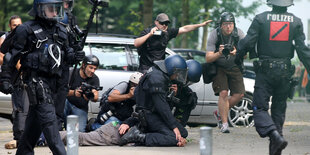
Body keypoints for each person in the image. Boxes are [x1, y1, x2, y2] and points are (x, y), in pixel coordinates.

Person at [0, 0, 85, 154]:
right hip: (36, 83)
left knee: (33, 125)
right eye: (51, 9)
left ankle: (24, 152)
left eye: (57, 9)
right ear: (39, 9)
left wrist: (76, 55)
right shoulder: (26, 29)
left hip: (55, 84)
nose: (54, 13)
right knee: (50, 124)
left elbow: (67, 56)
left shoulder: (61, 30)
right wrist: (5, 79)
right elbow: (10, 57)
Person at [235, 0, 310, 154]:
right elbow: (303, 50)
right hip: (284, 73)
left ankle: (274, 135)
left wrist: (238, 59)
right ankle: (277, 139)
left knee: (259, 108)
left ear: (271, 3)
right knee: (278, 112)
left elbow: (247, 42)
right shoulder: (296, 22)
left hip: (265, 72)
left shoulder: (261, 19)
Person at [120, 55, 189, 147]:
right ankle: (139, 136)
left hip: (153, 113)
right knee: (174, 138)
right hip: (149, 115)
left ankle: (153, 134)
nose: (177, 76)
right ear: (172, 69)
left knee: (183, 133)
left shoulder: (158, 73)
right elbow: (162, 106)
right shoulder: (157, 79)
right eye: (177, 73)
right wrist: (173, 127)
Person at [205, 12, 245, 133]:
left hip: (234, 65)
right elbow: (208, 58)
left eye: (231, 24)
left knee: (239, 95)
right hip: (219, 67)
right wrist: (219, 53)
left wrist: (237, 53)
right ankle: (224, 124)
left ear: (234, 25)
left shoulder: (239, 34)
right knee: (223, 93)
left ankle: (219, 113)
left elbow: (246, 54)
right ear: (221, 25)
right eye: (226, 24)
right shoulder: (214, 35)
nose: (228, 27)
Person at [134, 13, 212, 73]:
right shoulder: (147, 32)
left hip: (159, 69)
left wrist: (201, 25)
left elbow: (185, 29)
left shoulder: (168, 32)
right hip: (145, 69)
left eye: (166, 23)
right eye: (162, 23)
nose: (164, 25)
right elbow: (136, 43)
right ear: (156, 22)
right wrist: (150, 34)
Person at [0, 15, 26, 150]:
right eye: (14, 25)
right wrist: (14, 61)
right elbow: (2, 56)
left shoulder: (26, 35)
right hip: (15, 79)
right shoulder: (7, 39)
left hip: (28, 78)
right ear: (10, 26)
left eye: (19, 25)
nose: (17, 27)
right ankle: (19, 137)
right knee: (18, 109)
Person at [64, 55, 100, 132]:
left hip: (80, 107)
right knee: (60, 104)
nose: (93, 71)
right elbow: (60, 92)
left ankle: (88, 124)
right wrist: (74, 92)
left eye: (95, 69)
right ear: (83, 65)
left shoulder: (94, 78)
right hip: (67, 103)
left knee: (79, 133)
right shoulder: (71, 73)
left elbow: (96, 97)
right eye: (91, 67)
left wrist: (90, 96)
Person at [173, 60, 201, 127]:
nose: (186, 81)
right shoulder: (172, 75)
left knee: (191, 98)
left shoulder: (184, 88)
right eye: (187, 78)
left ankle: (179, 123)